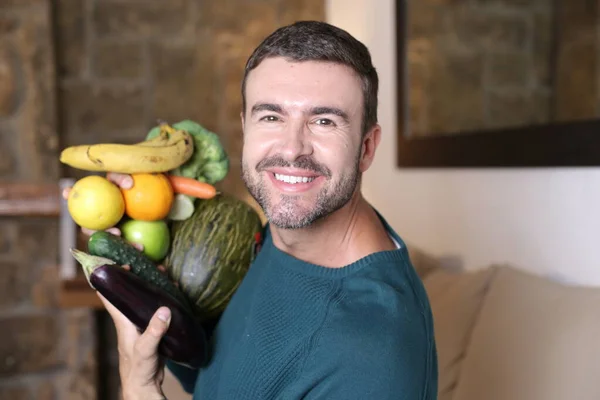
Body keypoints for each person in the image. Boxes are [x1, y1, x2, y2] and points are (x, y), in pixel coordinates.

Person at [64, 20, 438, 400]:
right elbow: (225, 377)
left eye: (324, 121)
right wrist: (144, 257)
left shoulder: (371, 356)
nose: (292, 149)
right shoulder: (278, 238)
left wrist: (137, 383)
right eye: (271, 117)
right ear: (245, 127)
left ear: (367, 147)